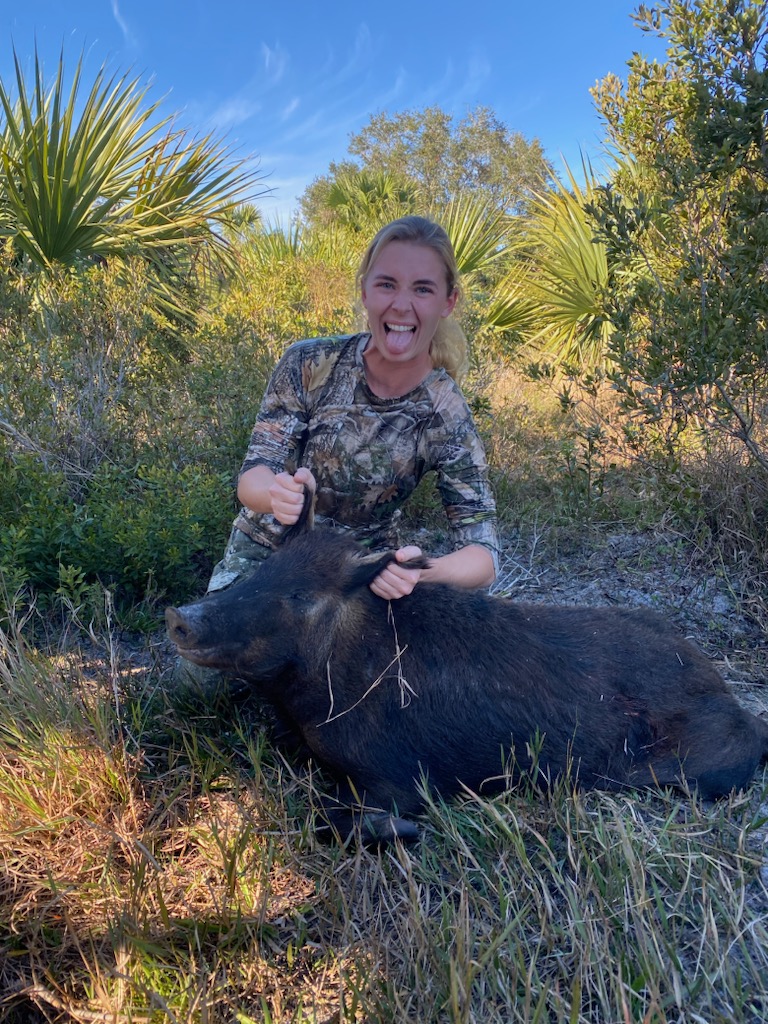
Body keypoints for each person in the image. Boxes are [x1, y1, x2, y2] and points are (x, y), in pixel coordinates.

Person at [203, 215, 499, 611]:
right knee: (209, 670)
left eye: (422, 289)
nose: (402, 304)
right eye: (387, 284)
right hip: (269, 554)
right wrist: (277, 496)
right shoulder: (310, 361)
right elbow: (254, 474)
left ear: (448, 301)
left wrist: (422, 571)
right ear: (364, 291)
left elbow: (482, 553)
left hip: (356, 574)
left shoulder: (446, 410)